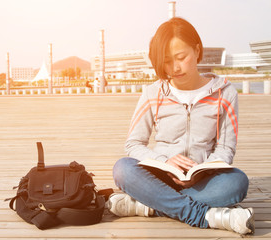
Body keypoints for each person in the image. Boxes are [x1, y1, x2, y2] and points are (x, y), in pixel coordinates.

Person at [106, 17, 254, 235]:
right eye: (166, 61)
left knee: (237, 183)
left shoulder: (225, 93)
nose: (174, 67)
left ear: (196, 50)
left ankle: (147, 206)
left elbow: (226, 149)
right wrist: (164, 161)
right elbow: (134, 144)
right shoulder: (152, 93)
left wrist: (199, 171)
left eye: (181, 57)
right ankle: (203, 216)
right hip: (160, 175)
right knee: (122, 169)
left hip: (201, 180)